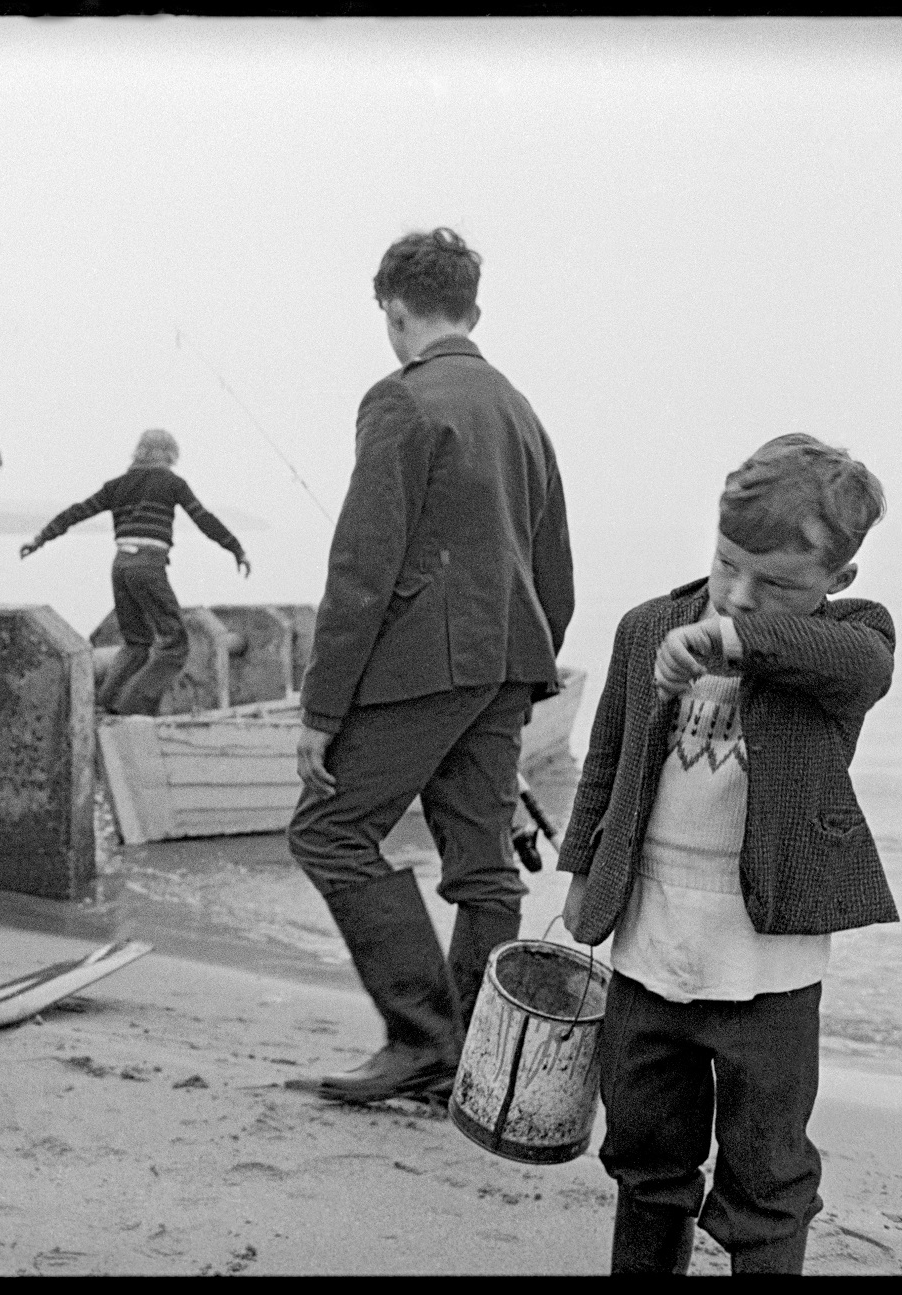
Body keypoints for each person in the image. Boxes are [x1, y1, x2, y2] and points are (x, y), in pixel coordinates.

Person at [559, 436, 894, 1275]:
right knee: (644, 1156)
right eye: (726, 564)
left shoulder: (852, 639)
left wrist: (737, 643)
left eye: (777, 584)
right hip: (646, 952)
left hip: (768, 972)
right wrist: (578, 876)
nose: (740, 594)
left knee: (769, 1176)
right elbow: (603, 761)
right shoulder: (645, 628)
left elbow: (861, 665)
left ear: (836, 583)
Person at [287, 228, 575, 1104]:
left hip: (424, 664)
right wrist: (527, 667)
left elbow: (362, 567)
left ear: (394, 310)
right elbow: (553, 567)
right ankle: (472, 1055)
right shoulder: (521, 409)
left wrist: (321, 707)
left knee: (327, 832)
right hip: (507, 664)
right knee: (483, 867)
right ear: (473, 310)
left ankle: (422, 1035)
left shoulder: (400, 402)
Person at [20, 429, 252, 715]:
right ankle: (131, 707)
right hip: (148, 565)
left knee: (136, 644)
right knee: (174, 645)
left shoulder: (117, 486)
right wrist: (236, 548)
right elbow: (203, 518)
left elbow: (76, 512)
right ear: (170, 454)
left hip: (120, 567)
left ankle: (104, 703)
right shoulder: (172, 483)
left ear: (138, 452)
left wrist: (40, 538)